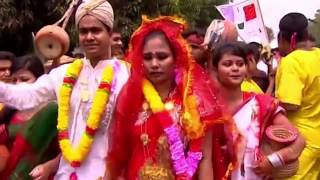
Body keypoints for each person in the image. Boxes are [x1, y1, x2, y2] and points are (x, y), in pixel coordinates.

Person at [0, 0, 130, 179]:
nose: (89, 37)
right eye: (84, 31)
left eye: (96, 30)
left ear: (109, 32)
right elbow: (27, 96)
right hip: (66, 173)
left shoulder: (127, 75)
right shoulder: (65, 73)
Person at [107, 16, 221, 180]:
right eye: (148, 57)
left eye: (162, 57)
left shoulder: (195, 100)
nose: (154, 64)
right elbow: (118, 156)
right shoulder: (130, 96)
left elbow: (204, 159)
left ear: (175, 59)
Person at [201, 42, 305, 180]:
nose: (235, 68)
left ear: (246, 68)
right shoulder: (206, 108)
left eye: (240, 64)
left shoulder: (261, 104)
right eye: (227, 64)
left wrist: (274, 160)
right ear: (215, 69)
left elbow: (299, 141)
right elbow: (204, 158)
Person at [276, 12, 320, 180]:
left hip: (300, 140)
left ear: (284, 38)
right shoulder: (318, 54)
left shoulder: (292, 61)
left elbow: (290, 103)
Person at [0, 54, 59, 179]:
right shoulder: (8, 110)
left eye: (24, 79)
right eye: (14, 80)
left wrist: (48, 167)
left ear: (41, 81)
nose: (19, 84)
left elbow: (68, 150)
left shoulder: (53, 112)